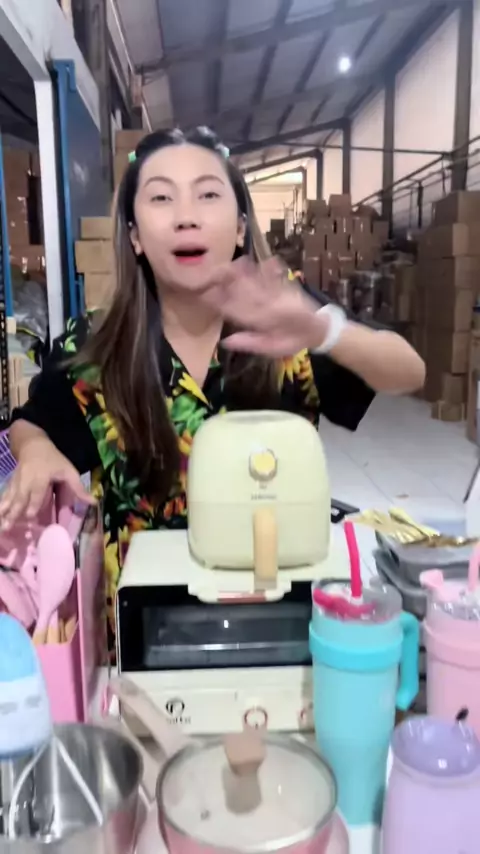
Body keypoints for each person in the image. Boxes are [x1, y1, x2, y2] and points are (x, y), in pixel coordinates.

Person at [2, 127, 425, 651]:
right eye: (161, 198)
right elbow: (30, 422)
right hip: (145, 632)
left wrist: (324, 331)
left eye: (207, 194)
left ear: (241, 226)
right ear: (135, 236)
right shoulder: (96, 345)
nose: (186, 216)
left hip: (278, 618)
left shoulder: (287, 315)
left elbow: (409, 372)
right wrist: (36, 450)